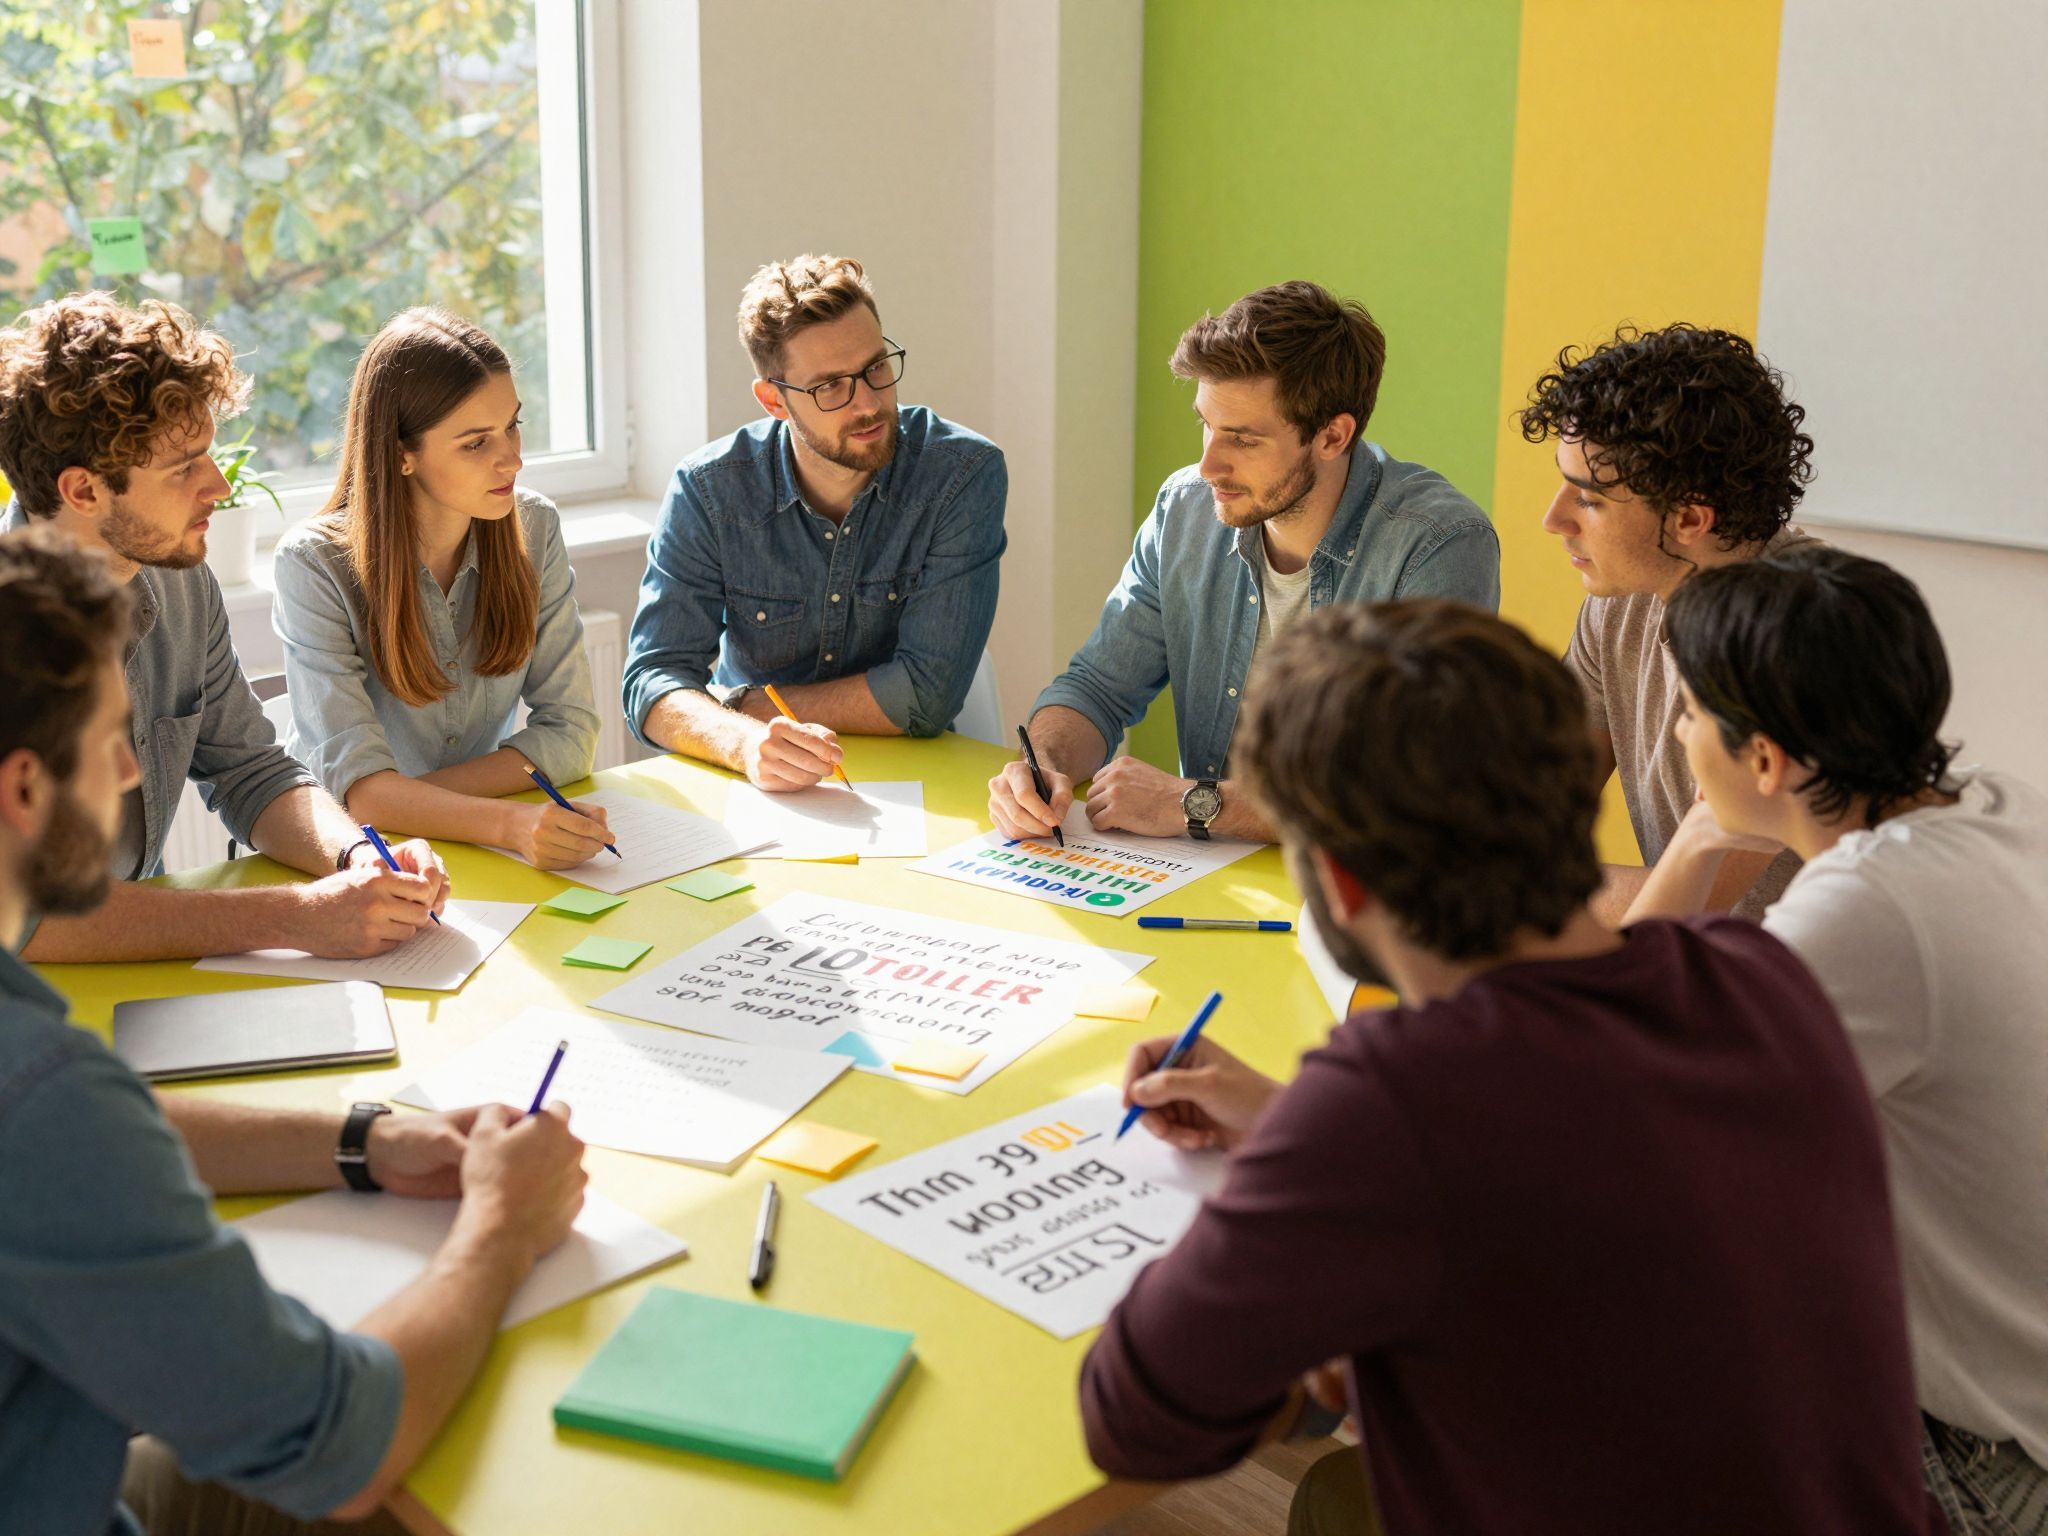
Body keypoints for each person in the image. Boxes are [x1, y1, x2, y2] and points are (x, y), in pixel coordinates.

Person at [1078, 599, 1939, 1536]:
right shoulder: (1763, 979)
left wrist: (1311, 1154)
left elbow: (1131, 1417)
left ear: (1339, 875)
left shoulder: (1392, 1102)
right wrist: (1305, 1137)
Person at [0, 525, 589, 1536]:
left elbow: (75, 1141)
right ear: (22, 789)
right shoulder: (43, 1097)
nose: (136, 778)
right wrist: (503, 1226)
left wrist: (361, 1139)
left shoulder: (43, 1096)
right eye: (111, 743)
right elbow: (334, 1443)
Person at [1626, 545, 2048, 1534]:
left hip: (1987, 1462)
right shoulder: (1993, 804)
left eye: (1686, 713)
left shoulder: (1866, 909)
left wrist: (1695, 848)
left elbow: (1620, 1091)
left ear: (1763, 760)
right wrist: (1700, 837)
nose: (1680, 733)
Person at [0, 292, 447, 962]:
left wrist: (356, 855)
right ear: (84, 492)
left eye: (207, 455)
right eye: (183, 468)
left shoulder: (178, 577)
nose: (217, 485)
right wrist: (294, 917)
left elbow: (251, 770)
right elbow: (32, 918)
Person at [988, 281, 1497, 845]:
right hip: (1212, 878)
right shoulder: (1185, 510)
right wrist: (1042, 767)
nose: (1207, 465)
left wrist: (1197, 803)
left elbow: (1415, 786)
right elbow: (1099, 686)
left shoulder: (1439, 545)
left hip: (1369, 893)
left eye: (1243, 439)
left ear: (1332, 435)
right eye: (1205, 424)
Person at [625, 253, 1007, 791]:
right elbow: (651, 682)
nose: (870, 403)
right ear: (773, 401)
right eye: (830, 386)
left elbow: (927, 695)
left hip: (918, 783)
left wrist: (743, 704)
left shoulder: (961, 474)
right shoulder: (710, 490)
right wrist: (743, 740)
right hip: (757, 781)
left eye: (876, 367)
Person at [272, 309, 609, 870]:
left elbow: (571, 734)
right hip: (352, 862)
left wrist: (416, 803)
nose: (513, 459)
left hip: (462, 845)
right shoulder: (314, 563)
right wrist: (508, 822)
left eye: (513, 425)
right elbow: (362, 794)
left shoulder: (535, 527)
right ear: (402, 452)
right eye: (476, 443)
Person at [1520, 321, 1819, 920]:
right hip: (1686, 968)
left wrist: (1498, 883)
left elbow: (1698, 904)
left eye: (1590, 499)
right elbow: (1535, 806)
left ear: (1689, 520)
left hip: (1786, 988)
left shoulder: (1800, 633)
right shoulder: (1619, 597)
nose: (1554, 520)